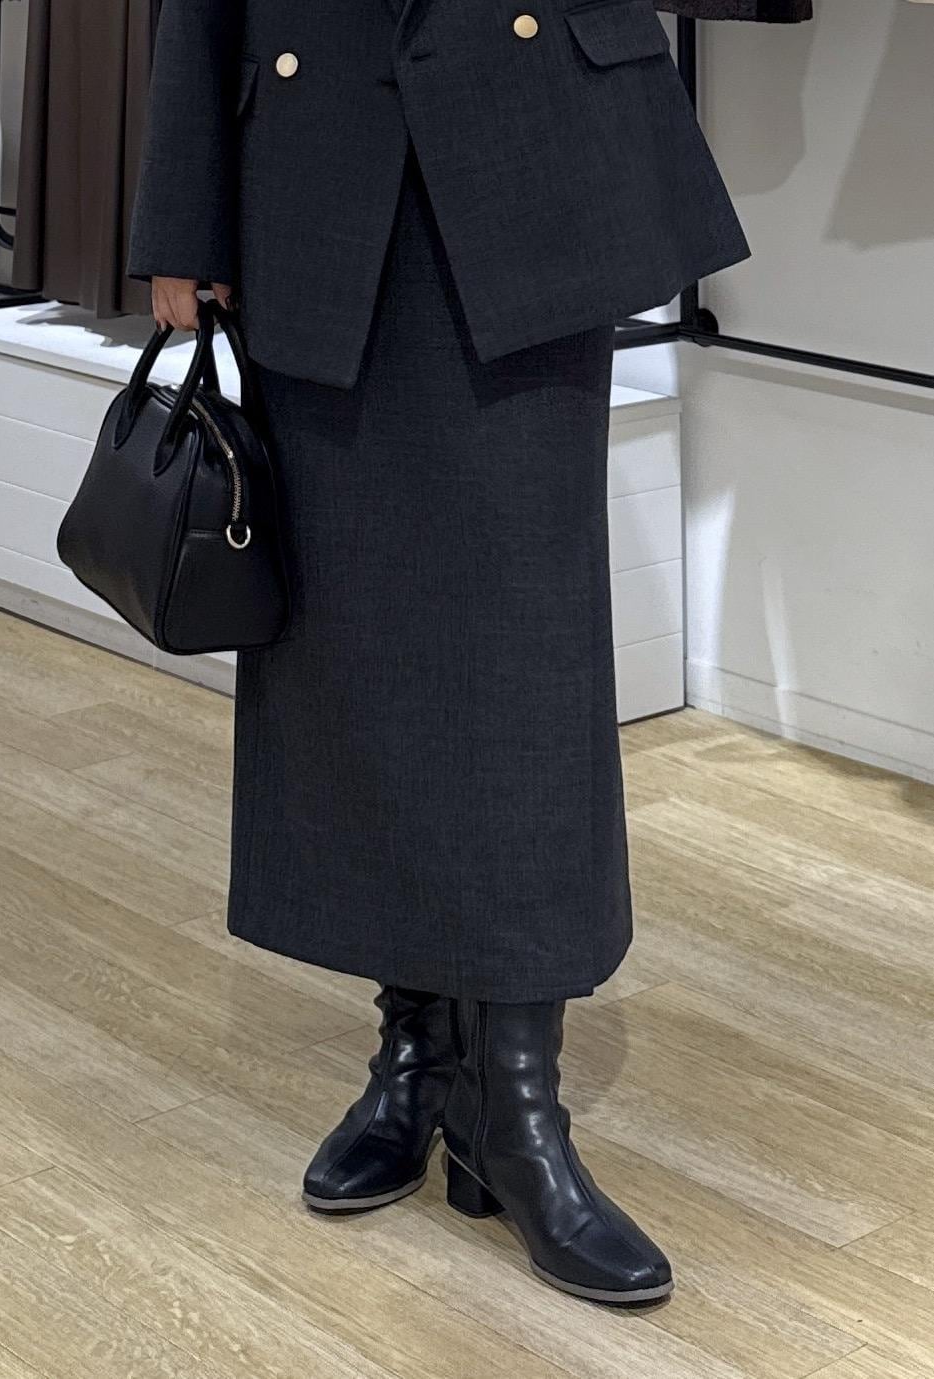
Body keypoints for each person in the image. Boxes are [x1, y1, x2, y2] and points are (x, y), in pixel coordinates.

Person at [129, 0, 750, 1305]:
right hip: (315, 155)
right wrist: (182, 215)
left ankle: (514, 1107)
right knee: (356, 651)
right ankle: (412, 1057)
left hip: (529, 149)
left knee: (526, 664)